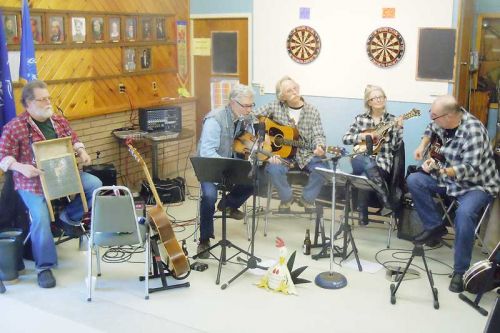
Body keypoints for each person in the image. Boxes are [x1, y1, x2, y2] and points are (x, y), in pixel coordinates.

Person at [0, 80, 102, 288]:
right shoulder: (15, 127)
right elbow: (3, 158)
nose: (48, 102)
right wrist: (21, 167)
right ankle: (44, 268)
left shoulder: (58, 121)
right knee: (40, 217)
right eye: (42, 99)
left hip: (62, 176)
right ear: (28, 103)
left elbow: (73, 139)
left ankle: (67, 218)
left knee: (95, 184)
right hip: (32, 184)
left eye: (48, 98)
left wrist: (81, 151)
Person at [407, 95, 499, 293]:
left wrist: (441, 169)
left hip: (476, 185)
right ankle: (435, 226)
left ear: (448, 116)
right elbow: (430, 129)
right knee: (414, 180)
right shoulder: (442, 122)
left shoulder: (473, 131)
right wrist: (422, 146)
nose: (431, 119)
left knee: (464, 214)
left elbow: (471, 168)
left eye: (434, 116)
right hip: (449, 180)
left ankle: (460, 271)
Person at [253, 76, 328, 213]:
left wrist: (320, 146)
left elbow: (319, 134)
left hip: (306, 154)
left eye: (295, 88)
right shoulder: (274, 106)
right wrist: (265, 140)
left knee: (323, 170)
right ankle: (287, 198)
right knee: (273, 169)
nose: (294, 92)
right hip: (281, 154)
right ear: (282, 97)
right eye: (289, 90)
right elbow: (251, 117)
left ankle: (307, 199)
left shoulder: (312, 110)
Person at [196, 84, 255, 258]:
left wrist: (255, 148)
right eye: (246, 106)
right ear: (232, 103)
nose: (250, 109)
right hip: (210, 166)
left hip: (229, 164)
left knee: (255, 179)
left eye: (252, 105)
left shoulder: (245, 118)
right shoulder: (215, 119)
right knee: (209, 197)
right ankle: (204, 239)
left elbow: (247, 143)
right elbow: (207, 152)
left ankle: (228, 204)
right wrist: (231, 165)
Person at [342, 85, 403, 225]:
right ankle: (385, 199)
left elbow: (395, 147)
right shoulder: (360, 119)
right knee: (365, 160)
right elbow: (345, 138)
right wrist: (364, 136)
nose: (379, 100)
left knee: (366, 171)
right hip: (359, 158)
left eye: (381, 97)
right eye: (375, 98)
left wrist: (399, 128)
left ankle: (362, 214)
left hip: (382, 163)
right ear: (369, 102)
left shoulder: (392, 120)